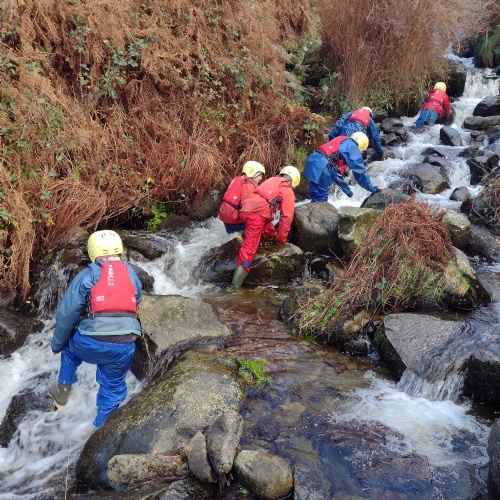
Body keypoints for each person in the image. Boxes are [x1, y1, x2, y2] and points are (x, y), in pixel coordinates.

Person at [48, 230, 143, 428]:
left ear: (92, 252)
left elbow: (67, 315)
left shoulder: (87, 275)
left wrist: (57, 344)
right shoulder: (131, 273)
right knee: (113, 386)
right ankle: (101, 430)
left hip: (90, 342)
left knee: (69, 351)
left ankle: (61, 395)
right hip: (125, 344)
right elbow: (137, 298)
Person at [231, 166, 300, 288]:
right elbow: (286, 217)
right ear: (294, 181)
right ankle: (234, 287)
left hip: (246, 209)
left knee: (269, 230)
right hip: (256, 216)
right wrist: (281, 239)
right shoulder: (287, 191)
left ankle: (243, 236)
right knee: (248, 251)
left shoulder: (272, 180)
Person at [304, 132, 383, 202]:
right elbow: (360, 173)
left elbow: (335, 173)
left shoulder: (342, 139)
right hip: (323, 167)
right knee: (321, 201)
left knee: (316, 196)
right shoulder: (353, 148)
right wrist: (373, 188)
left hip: (313, 159)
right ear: (362, 146)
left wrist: (348, 192)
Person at [219, 161, 266, 234]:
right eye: (259, 175)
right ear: (253, 173)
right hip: (233, 217)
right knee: (241, 235)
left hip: (224, 214)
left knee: (231, 235)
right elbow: (249, 207)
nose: (261, 178)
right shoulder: (247, 185)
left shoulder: (238, 179)